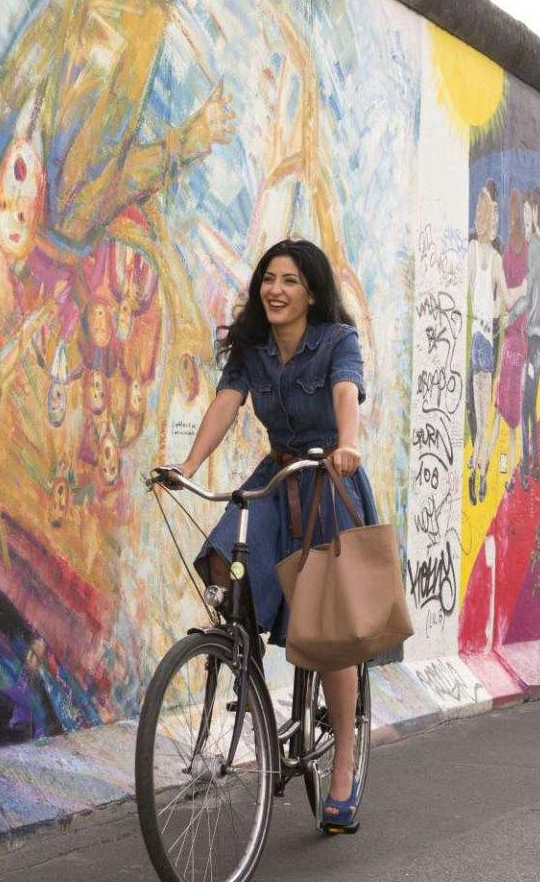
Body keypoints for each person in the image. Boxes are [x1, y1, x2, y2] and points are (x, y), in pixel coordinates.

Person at [161, 238, 379, 833]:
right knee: (219, 563)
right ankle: (243, 659)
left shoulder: (337, 340)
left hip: (328, 478)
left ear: (311, 291)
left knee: (330, 632)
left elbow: (344, 393)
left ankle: (343, 770)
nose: (275, 290)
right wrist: (186, 468)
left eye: (289, 280)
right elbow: (226, 405)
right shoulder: (253, 349)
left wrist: (348, 443)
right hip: (278, 476)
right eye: (268, 279)